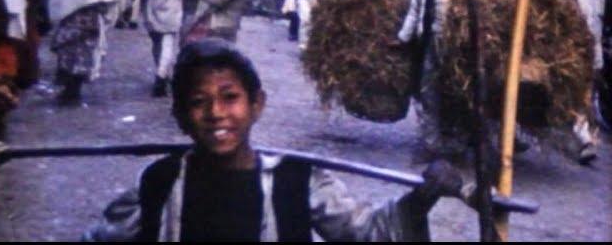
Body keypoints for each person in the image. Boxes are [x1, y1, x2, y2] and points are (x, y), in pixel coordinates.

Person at [83, 38, 464, 242]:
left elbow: (365, 233)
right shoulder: (159, 183)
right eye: (198, 102)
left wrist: (422, 198)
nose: (216, 112)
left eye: (230, 97)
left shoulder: (297, 180)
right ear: (181, 117)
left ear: (256, 105)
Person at [397, 0, 482, 158]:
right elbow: (415, 9)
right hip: (432, 41)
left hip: (461, 48)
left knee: (459, 95)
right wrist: (403, 38)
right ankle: (431, 144)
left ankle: (458, 143)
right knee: (428, 92)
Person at [558, 0, 606, 164]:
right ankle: (584, 141)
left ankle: (583, 136)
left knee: (587, 95)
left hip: (594, 49)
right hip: (571, 49)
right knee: (578, 95)